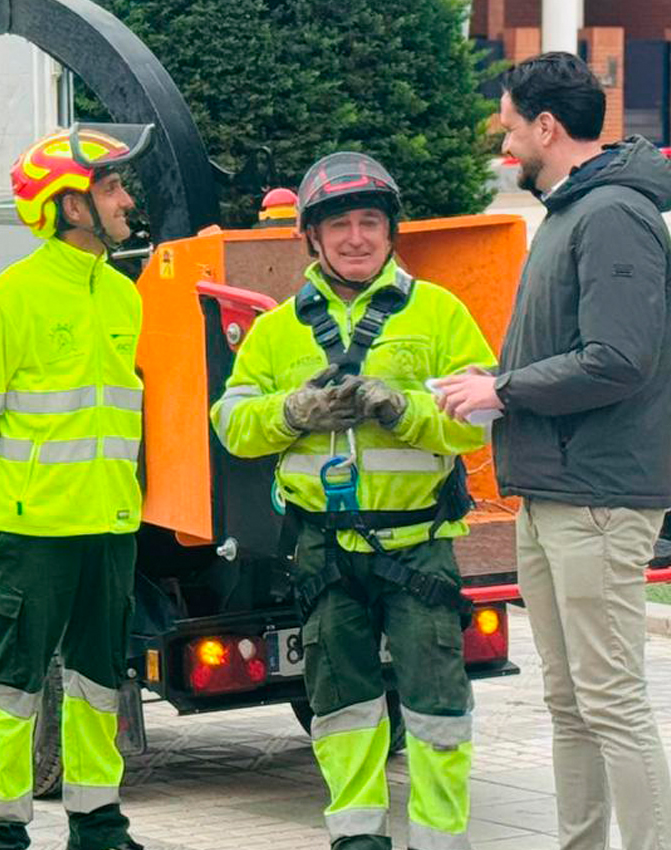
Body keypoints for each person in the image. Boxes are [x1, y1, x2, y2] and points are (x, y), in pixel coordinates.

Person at [211, 151, 495, 850]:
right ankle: (358, 840)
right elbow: (232, 426)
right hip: (324, 553)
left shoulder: (438, 314)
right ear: (312, 236)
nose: (357, 237)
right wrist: (295, 411)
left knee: (436, 712)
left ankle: (440, 842)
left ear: (393, 230)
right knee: (342, 711)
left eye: (371, 222)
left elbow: (479, 421)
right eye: (340, 225)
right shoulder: (278, 331)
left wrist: (405, 412)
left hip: (418, 549)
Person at [438, 52, 671, 850]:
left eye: (509, 126)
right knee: (570, 701)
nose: (505, 143)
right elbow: (576, 347)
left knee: (610, 699)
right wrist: (497, 376)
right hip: (553, 490)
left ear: (547, 126)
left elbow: (620, 357)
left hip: (599, 497)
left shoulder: (612, 214)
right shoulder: (569, 211)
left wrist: (504, 393)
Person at [0, 123, 155, 850]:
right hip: (33, 532)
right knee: (11, 685)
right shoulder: (8, 301)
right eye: (112, 186)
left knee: (100, 680)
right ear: (69, 205)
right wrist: (11, 501)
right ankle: (1, 829)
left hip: (110, 524)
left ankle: (98, 825)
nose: (126, 198)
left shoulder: (123, 296)